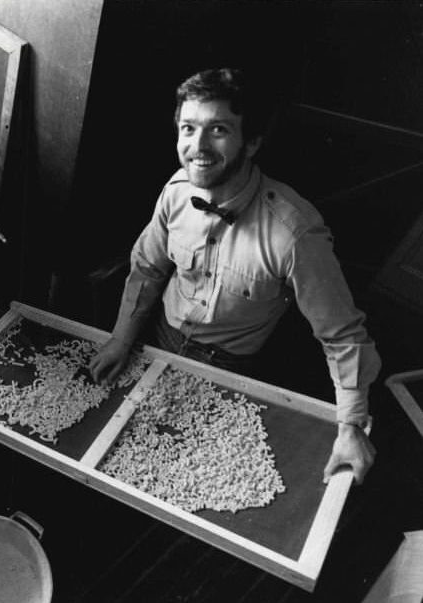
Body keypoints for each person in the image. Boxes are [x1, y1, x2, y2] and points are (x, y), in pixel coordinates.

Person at [88, 67, 381, 485]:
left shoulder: (295, 233)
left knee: (187, 477)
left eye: (219, 130)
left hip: (229, 367)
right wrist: (121, 338)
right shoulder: (174, 193)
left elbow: (344, 336)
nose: (198, 147)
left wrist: (351, 427)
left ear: (253, 142)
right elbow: (148, 269)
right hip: (157, 339)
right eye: (188, 128)